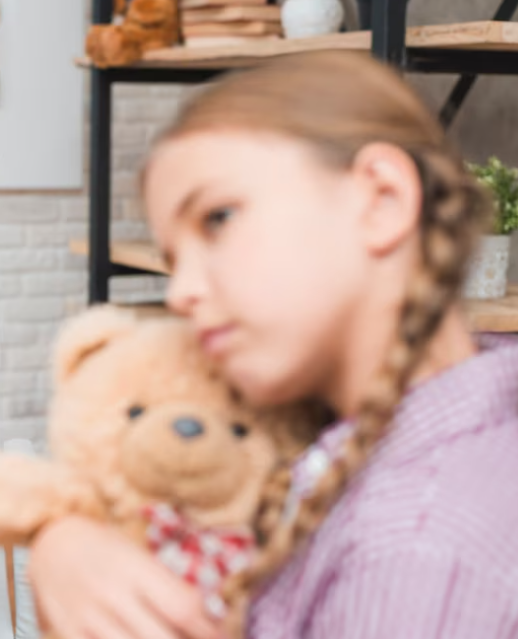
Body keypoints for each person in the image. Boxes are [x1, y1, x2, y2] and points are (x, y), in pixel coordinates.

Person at [28, 51, 518, 638]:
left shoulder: (413, 551)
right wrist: (64, 541)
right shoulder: (454, 411)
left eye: (218, 218)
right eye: (173, 260)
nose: (181, 292)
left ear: (382, 199)